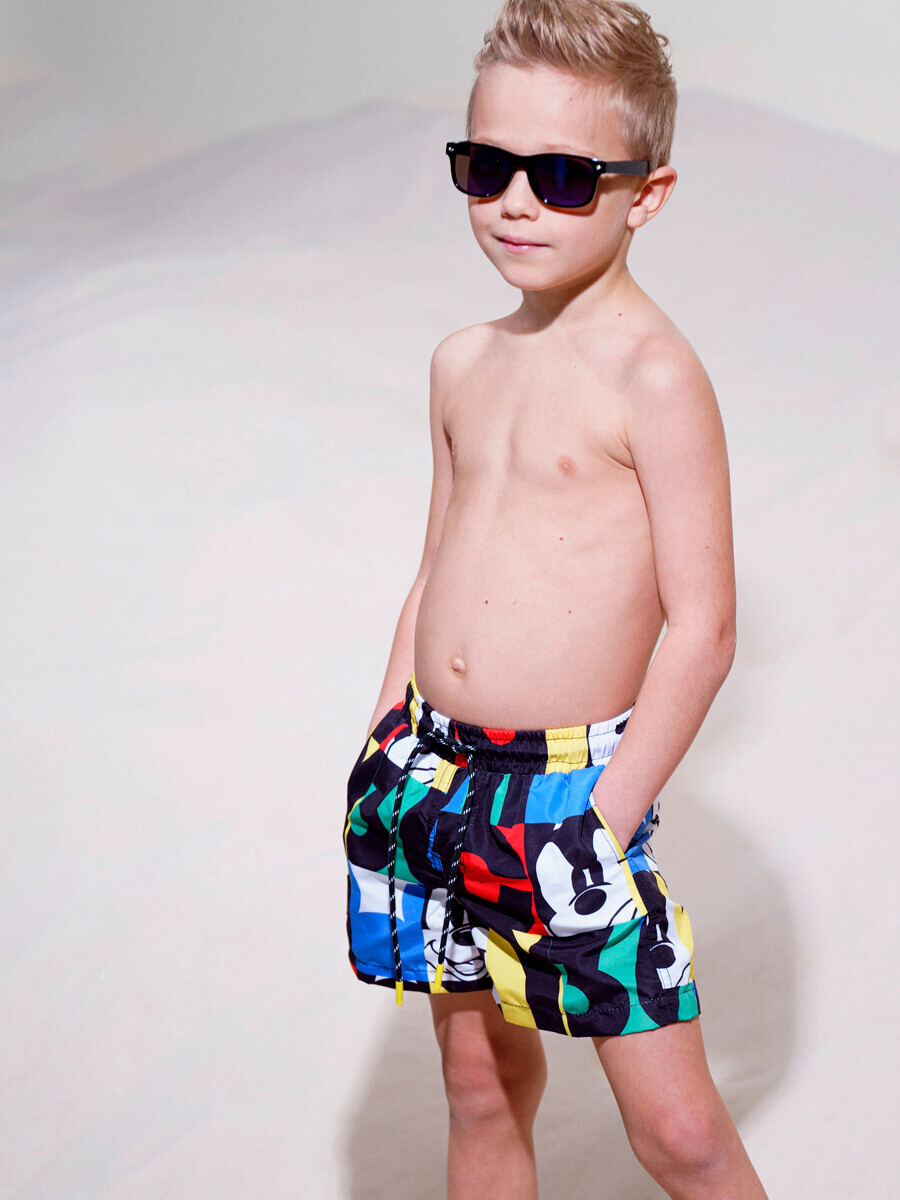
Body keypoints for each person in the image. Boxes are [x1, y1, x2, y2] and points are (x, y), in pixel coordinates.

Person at [344, 2, 768, 1196]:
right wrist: (381, 739)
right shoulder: (461, 362)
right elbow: (437, 566)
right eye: (486, 167)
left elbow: (705, 627)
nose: (517, 203)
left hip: (571, 793)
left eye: (565, 176)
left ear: (647, 195)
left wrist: (603, 819)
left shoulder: (656, 377)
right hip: (430, 770)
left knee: (678, 1133)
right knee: (480, 1087)